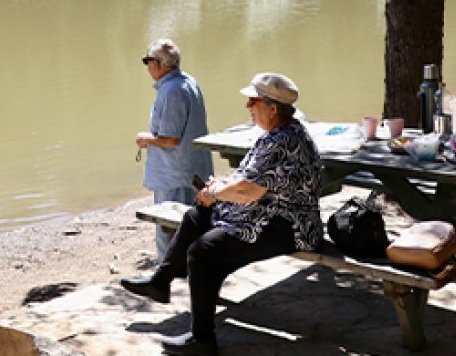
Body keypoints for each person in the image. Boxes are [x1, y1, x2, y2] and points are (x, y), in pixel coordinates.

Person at [122, 72, 323, 356]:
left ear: (273, 108)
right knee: (196, 217)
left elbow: (248, 191)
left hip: (289, 226)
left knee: (203, 252)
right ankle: (161, 282)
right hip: (269, 214)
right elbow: (248, 179)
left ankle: (202, 339)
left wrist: (216, 193)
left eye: (253, 101)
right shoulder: (279, 134)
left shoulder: (281, 141)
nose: (248, 107)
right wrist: (218, 188)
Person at [123, 39, 213, 272]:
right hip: (193, 167)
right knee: (193, 224)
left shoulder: (171, 91)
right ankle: (190, 269)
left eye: (147, 61)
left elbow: (171, 138)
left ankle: (167, 274)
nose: (146, 66)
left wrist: (147, 139)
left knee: (168, 224)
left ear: (159, 64)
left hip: (174, 172)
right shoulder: (189, 82)